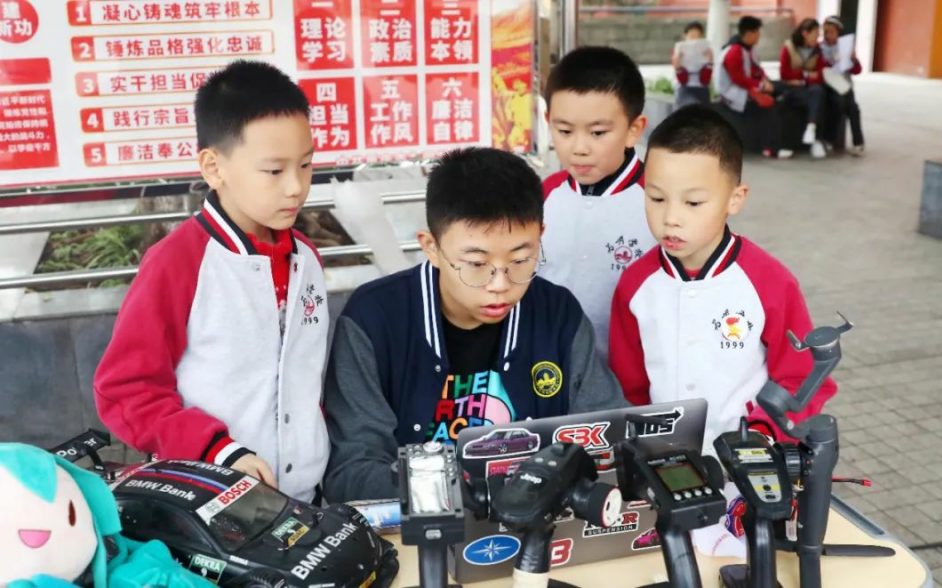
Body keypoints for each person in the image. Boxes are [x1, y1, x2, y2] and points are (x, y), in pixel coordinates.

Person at [322, 147, 627, 502]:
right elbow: (351, 470)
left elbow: (608, 434)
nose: (500, 284)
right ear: (431, 247)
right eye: (477, 265)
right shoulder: (375, 319)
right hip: (418, 529)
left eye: (521, 260)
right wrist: (454, 493)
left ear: (540, 236)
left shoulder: (557, 313)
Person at [94, 61, 330, 503]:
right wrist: (216, 450)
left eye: (306, 164)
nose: (296, 187)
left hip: (305, 496)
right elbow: (127, 390)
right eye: (274, 171)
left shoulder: (307, 260)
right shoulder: (176, 264)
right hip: (212, 495)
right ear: (213, 166)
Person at [608, 105, 836, 448]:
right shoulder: (635, 284)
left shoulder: (770, 281)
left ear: (735, 199)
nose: (670, 218)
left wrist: (762, 437)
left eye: (693, 203)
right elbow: (630, 385)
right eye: (656, 198)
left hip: (749, 459)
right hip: (663, 459)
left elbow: (802, 377)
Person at [539, 46, 657, 360]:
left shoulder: (660, 200)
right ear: (548, 121)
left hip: (633, 375)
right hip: (550, 366)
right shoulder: (543, 195)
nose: (579, 148)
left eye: (598, 133)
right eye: (564, 131)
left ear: (634, 129)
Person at [716, 16, 792, 159]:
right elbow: (737, 78)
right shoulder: (734, 51)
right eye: (757, 32)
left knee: (782, 90)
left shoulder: (747, 49)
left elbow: (756, 70)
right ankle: (771, 148)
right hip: (733, 94)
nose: (759, 36)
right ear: (749, 33)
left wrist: (765, 82)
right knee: (770, 106)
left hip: (746, 88)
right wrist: (760, 87)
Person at [780, 17, 828, 158]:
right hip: (792, 89)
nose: (817, 38)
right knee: (815, 98)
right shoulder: (788, 47)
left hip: (809, 88)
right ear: (805, 33)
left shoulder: (817, 50)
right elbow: (784, 73)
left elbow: (820, 74)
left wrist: (800, 78)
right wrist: (806, 75)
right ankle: (807, 138)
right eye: (815, 34)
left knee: (818, 93)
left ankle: (812, 130)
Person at [821, 15, 865, 155]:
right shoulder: (820, 48)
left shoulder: (845, 47)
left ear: (838, 33)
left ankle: (858, 143)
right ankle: (829, 139)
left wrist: (853, 60)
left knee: (853, 109)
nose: (828, 35)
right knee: (838, 104)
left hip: (844, 86)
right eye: (826, 32)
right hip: (829, 86)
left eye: (832, 32)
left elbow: (857, 70)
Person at [672, 21, 714, 107]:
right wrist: (678, 65)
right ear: (685, 36)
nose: (695, 40)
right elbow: (682, 79)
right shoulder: (678, 51)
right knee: (690, 107)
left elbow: (706, 79)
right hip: (685, 88)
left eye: (698, 37)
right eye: (692, 36)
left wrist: (710, 62)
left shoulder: (707, 51)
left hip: (701, 88)